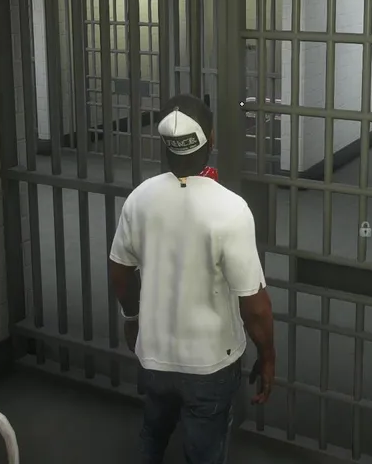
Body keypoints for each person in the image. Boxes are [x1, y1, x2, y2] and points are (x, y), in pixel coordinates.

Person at [108, 93, 276, 464]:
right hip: (210, 364)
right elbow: (255, 306)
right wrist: (267, 356)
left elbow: (120, 271)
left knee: (153, 432)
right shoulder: (230, 209)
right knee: (204, 452)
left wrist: (132, 319)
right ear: (211, 140)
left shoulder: (140, 199)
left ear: (165, 145)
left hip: (154, 356)